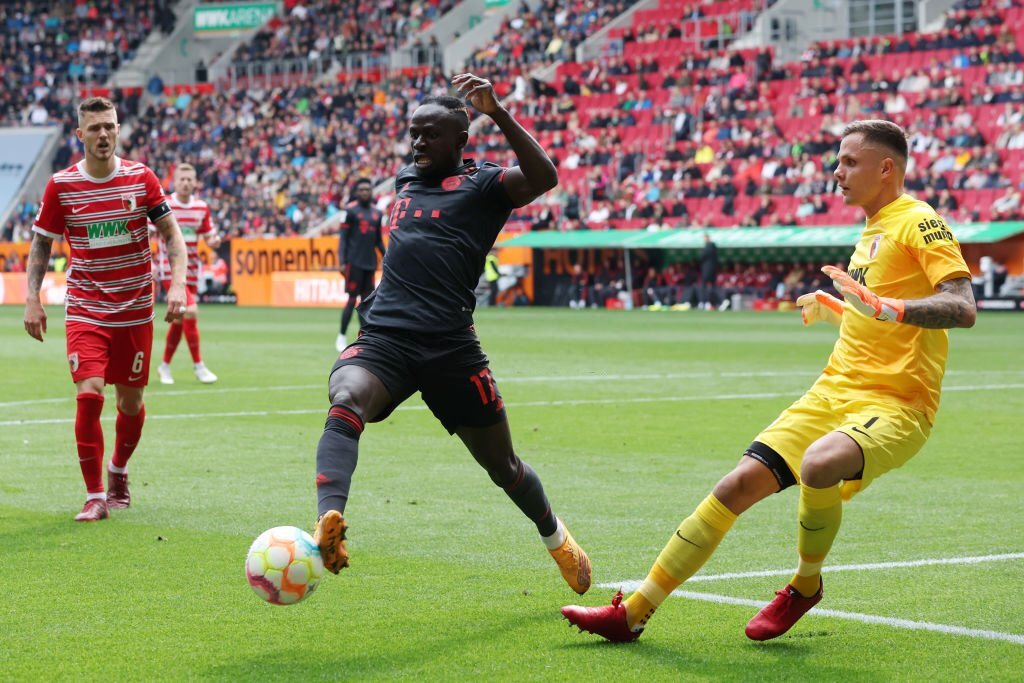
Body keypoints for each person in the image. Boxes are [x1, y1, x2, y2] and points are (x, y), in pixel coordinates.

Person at [562, 119, 976, 642]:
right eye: (838, 161)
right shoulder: (873, 227)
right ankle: (634, 611)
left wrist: (891, 309)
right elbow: (876, 309)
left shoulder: (919, 221)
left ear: (886, 167)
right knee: (734, 485)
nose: (836, 171)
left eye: (849, 162)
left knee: (820, 463)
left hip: (897, 403)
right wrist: (840, 310)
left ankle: (804, 587)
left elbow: (962, 307)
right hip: (833, 391)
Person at [312, 74, 591, 595]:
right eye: (413, 133)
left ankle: (557, 540)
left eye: (429, 134)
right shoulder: (404, 180)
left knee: (504, 467)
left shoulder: (484, 185)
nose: (417, 142)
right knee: (346, 397)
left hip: (451, 350)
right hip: (385, 339)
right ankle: (329, 521)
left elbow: (545, 176)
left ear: (460, 140)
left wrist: (500, 112)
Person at [23, 96, 187, 522]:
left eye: (109, 126)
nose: (103, 134)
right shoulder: (61, 185)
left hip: (134, 309)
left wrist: (178, 285)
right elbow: (41, 243)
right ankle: (95, 494)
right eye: (94, 128)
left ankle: (118, 470)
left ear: (118, 129)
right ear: (80, 135)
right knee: (89, 391)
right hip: (86, 306)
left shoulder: (141, 178)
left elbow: (172, 235)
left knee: (130, 403)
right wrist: (32, 297)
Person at [155, 163, 221, 385]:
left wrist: (214, 241)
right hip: (170, 269)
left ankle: (164, 367)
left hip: (192, 270)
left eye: (189, 179)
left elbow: (209, 235)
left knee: (180, 320)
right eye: (181, 179)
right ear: (175, 181)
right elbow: (148, 232)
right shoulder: (165, 204)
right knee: (190, 312)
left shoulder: (201, 207)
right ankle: (199, 366)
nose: (185, 183)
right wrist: (151, 262)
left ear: (195, 182)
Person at [335, 177, 385, 352]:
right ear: (357, 192)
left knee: (366, 304)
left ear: (371, 191)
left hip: (370, 264)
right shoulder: (350, 212)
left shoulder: (377, 214)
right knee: (351, 300)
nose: (365, 192)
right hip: (353, 264)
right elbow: (343, 239)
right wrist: (341, 261)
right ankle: (341, 336)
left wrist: (387, 257)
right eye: (362, 189)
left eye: (368, 189)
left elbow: (378, 241)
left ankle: (365, 338)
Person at [698, 231, 720, 310]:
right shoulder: (713, 247)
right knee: (712, 286)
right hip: (712, 269)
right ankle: (713, 303)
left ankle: (705, 302)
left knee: (704, 286)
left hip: (708, 270)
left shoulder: (709, 246)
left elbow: (702, 256)